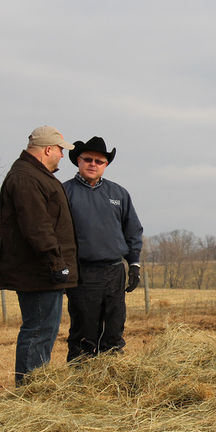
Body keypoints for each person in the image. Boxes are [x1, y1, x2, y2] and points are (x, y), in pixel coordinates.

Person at [0, 125, 79, 387]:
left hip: (40, 270)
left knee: (44, 329)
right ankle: (31, 390)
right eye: (60, 151)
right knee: (39, 330)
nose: (62, 157)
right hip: (39, 272)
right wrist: (56, 263)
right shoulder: (27, 178)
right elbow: (37, 227)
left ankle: (36, 386)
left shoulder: (34, 175)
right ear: (47, 149)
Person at [62, 136, 143, 362]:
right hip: (83, 273)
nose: (93, 164)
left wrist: (134, 264)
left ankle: (111, 376)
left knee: (114, 329)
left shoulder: (118, 194)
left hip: (114, 271)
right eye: (88, 159)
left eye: (99, 161)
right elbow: (56, 235)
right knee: (84, 331)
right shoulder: (64, 192)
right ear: (78, 161)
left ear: (106, 165)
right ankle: (81, 379)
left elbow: (133, 230)